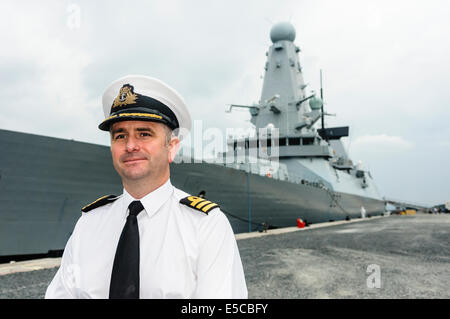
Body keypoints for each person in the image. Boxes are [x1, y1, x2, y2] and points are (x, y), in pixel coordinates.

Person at [45, 75, 248, 299]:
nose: (131, 145)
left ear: (171, 147)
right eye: (120, 135)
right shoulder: (89, 223)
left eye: (144, 133)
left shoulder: (205, 225)